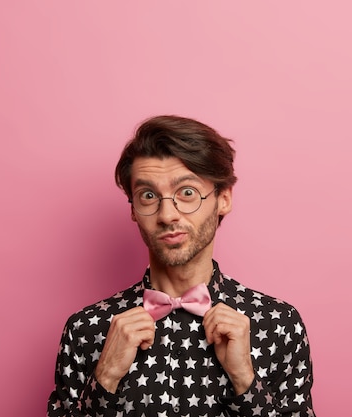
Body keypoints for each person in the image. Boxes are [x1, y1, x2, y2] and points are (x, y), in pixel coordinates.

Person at [47, 115, 315, 417]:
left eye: (186, 193)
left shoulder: (278, 325)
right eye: (148, 196)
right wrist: (105, 377)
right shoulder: (85, 330)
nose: (167, 214)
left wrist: (246, 381)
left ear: (223, 199)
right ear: (134, 210)